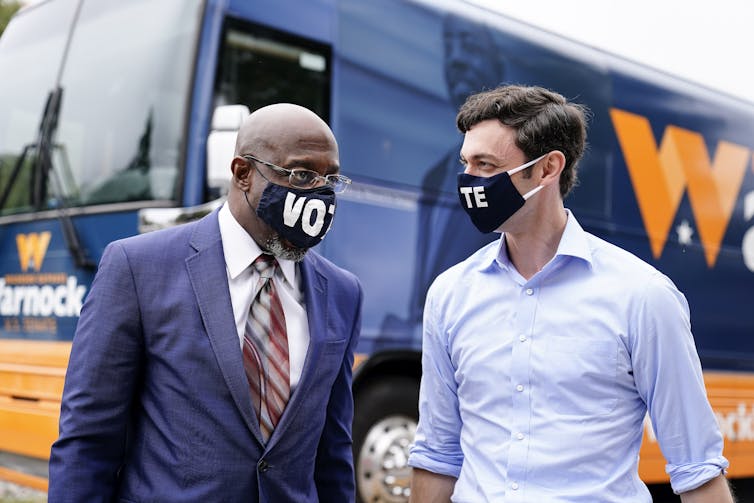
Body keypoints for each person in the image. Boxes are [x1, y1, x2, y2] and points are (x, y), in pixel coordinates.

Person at [407, 85, 733, 502]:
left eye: (486, 165)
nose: (470, 180)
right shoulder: (450, 294)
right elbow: (437, 452)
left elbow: (697, 469)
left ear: (548, 168)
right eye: (466, 162)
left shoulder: (643, 297)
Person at [49, 103, 363, 502]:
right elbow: (87, 439)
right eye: (301, 174)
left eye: (330, 179)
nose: (318, 194)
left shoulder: (342, 292)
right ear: (243, 173)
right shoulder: (137, 268)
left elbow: (333, 452)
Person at [382, 12, 505, 338]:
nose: (456, 59)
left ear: (497, 61)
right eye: (448, 46)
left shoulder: (517, 174)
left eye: (468, 44)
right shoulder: (435, 176)